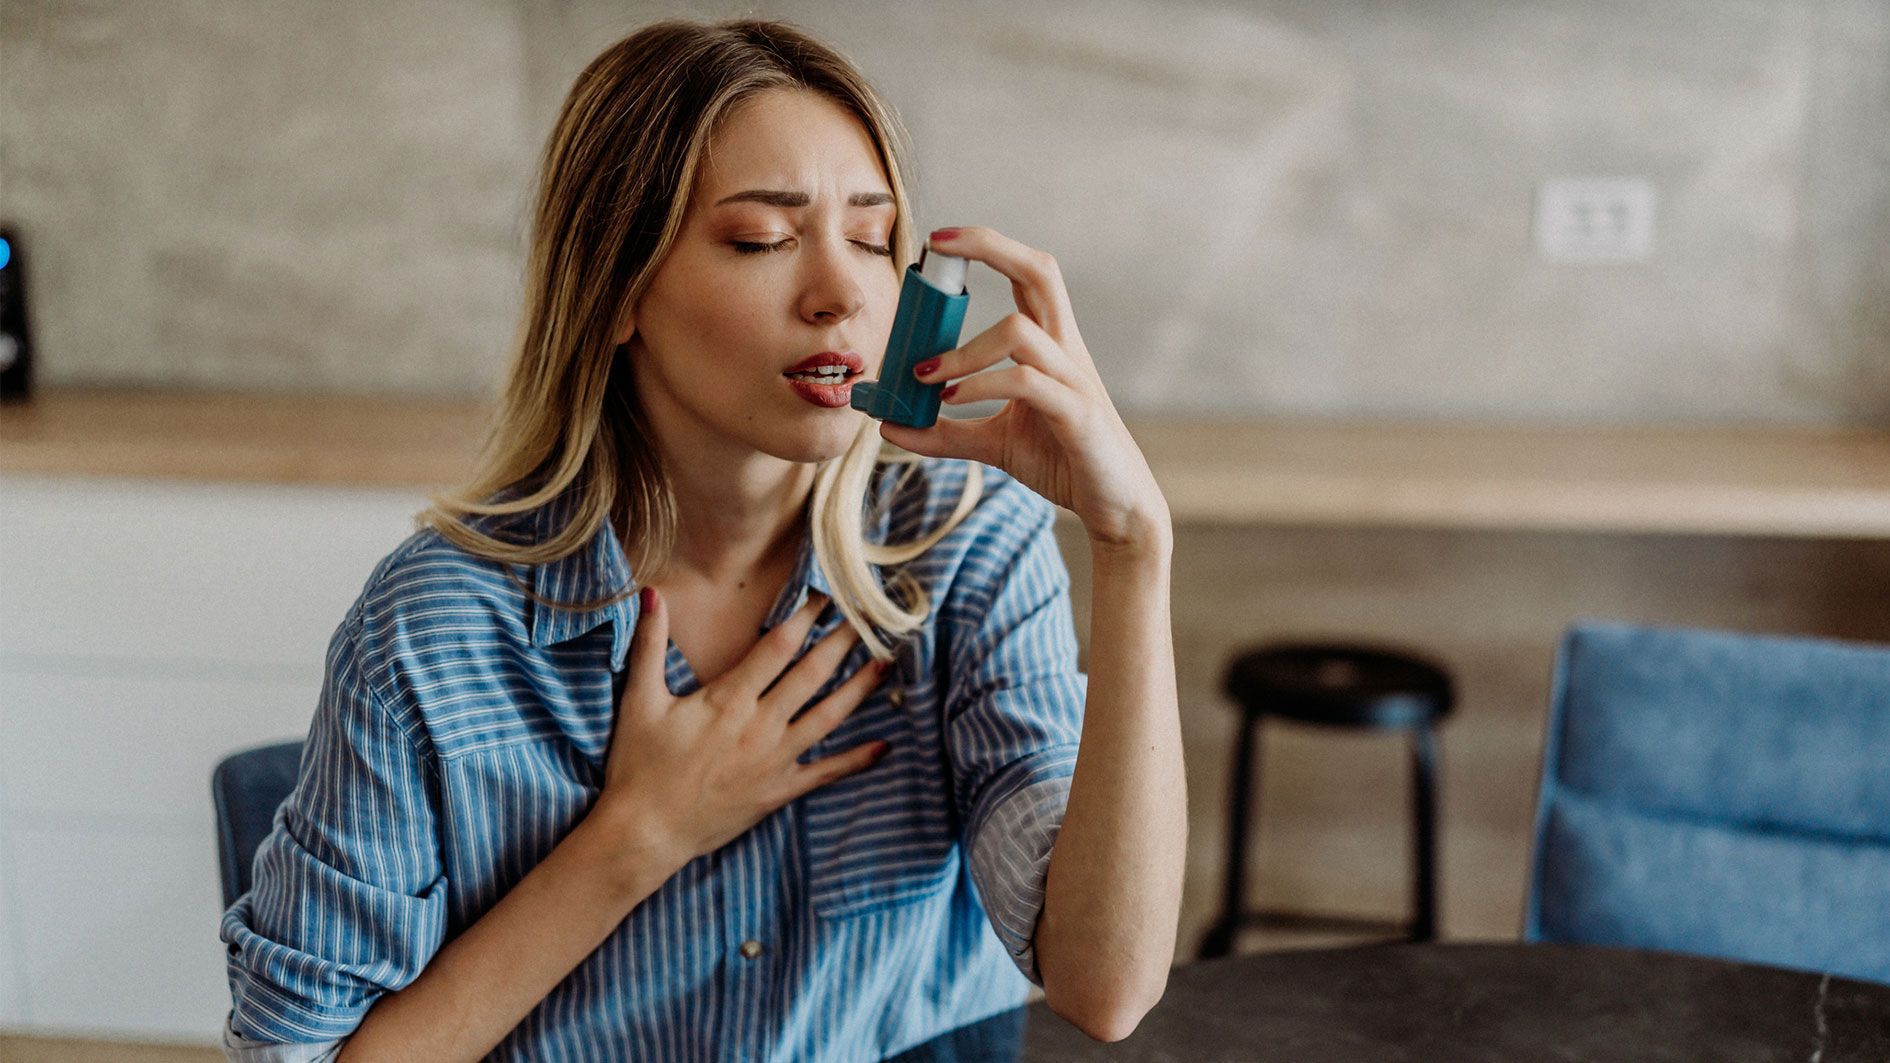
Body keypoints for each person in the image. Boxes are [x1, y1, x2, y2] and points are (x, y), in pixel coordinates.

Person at [219, 17, 1184, 1062]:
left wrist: (1134, 547)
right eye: (763, 240)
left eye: (872, 238)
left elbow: (1105, 985)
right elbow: (293, 1055)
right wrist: (640, 838)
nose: (842, 293)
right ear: (620, 287)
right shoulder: (435, 626)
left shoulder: (964, 546)